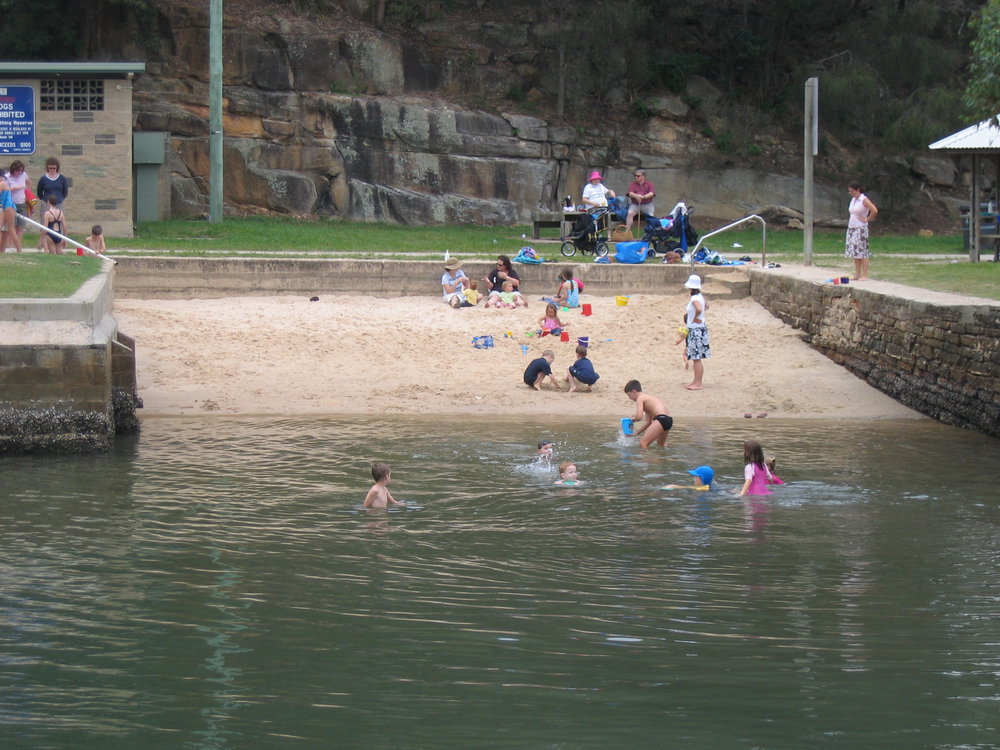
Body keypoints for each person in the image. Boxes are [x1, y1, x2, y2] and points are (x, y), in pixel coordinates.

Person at [624, 379, 672, 449]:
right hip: (668, 420)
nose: (629, 398)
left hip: (661, 418)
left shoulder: (640, 398)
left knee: (643, 443)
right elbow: (649, 422)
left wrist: (633, 419)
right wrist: (636, 433)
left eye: (629, 395)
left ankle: (647, 459)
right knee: (661, 445)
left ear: (634, 391)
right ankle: (662, 459)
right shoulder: (648, 398)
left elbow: (639, 417)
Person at [845, 181, 878, 281]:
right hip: (852, 227)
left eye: (852, 191)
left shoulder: (863, 199)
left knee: (863, 251)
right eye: (849, 191)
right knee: (855, 251)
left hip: (861, 228)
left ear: (858, 190)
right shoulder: (853, 200)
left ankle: (865, 274)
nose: (851, 193)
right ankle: (857, 273)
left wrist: (867, 219)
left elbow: (874, 210)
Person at [683, 274, 710, 390]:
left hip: (696, 329)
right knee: (696, 357)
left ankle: (698, 383)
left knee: (696, 358)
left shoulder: (694, 298)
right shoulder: (700, 296)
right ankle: (696, 381)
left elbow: (699, 309)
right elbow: (706, 306)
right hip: (700, 327)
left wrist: (695, 317)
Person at [5, 160, 29, 251]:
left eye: (21, 171)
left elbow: (29, 183)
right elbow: (4, 189)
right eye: (18, 171)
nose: (19, 173)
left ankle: (18, 247)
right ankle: (10, 247)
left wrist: (27, 194)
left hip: (22, 203)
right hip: (11, 204)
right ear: (13, 169)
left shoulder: (24, 175)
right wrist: (13, 188)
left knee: (20, 227)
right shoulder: (7, 177)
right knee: (12, 227)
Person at [624, 168, 655, 232]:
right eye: (635, 176)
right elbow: (630, 193)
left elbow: (651, 193)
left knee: (651, 216)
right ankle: (627, 232)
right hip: (635, 204)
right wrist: (637, 196)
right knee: (630, 213)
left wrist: (643, 197)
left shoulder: (649, 184)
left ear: (643, 176)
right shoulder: (633, 184)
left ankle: (650, 233)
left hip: (647, 204)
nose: (636, 177)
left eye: (638, 176)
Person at [0, 173, 17, 253]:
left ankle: (19, 250)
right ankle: (2, 250)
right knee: (3, 230)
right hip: (5, 207)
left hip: (8, 207)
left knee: (11, 230)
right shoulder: (5, 183)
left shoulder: (2, 184)